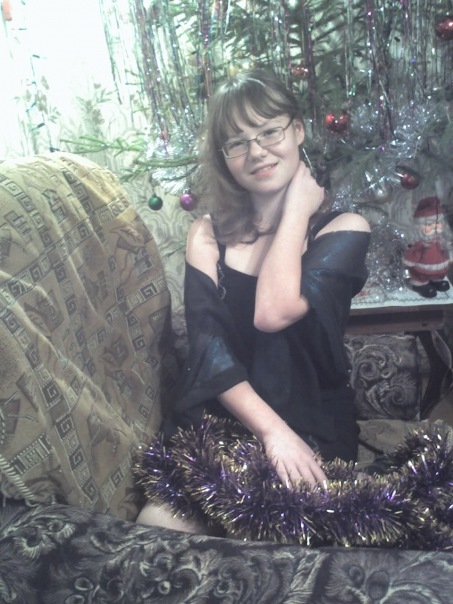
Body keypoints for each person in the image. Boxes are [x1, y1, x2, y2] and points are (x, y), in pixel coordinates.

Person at [136, 68, 371, 532]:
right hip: (226, 414)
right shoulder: (206, 234)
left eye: (269, 132)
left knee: (277, 533)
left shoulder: (345, 229)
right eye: (238, 142)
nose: (257, 151)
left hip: (310, 417)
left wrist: (297, 210)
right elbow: (208, 350)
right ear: (225, 158)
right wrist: (271, 432)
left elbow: (272, 312)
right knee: (155, 525)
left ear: (297, 130)